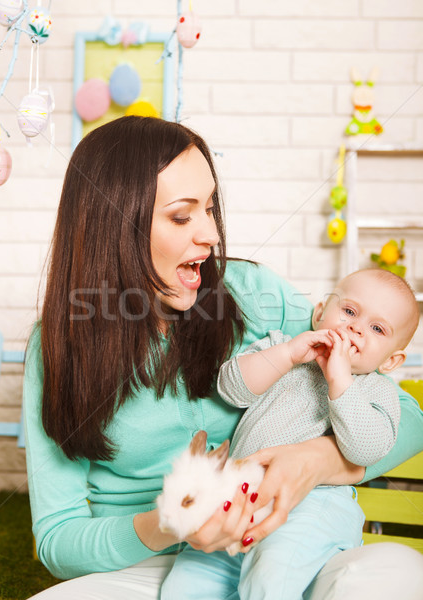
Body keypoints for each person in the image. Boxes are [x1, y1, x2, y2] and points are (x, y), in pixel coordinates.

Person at [23, 116, 423, 600]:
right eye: (181, 215)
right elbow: (58, 538)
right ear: (116, 226)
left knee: (396, 573)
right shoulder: (56, 346)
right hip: (151, 568)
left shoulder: (255, 294)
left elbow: (409, 417)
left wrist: (316, 462)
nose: (211, 234)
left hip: (287, 541)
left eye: (210, 209)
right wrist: (173, 522)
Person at [161, 268, 419, 600]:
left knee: (271, 578)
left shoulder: (377, 390)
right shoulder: (282, 347)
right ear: (320, 313)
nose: (355, 327)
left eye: (377, 328)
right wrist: (287, 355)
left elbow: (365, 450)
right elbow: (231, 387)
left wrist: (340, 378)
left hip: (314, 504)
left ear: (392, 360)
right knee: (187, 582)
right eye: (350, 312)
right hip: (238, 500)